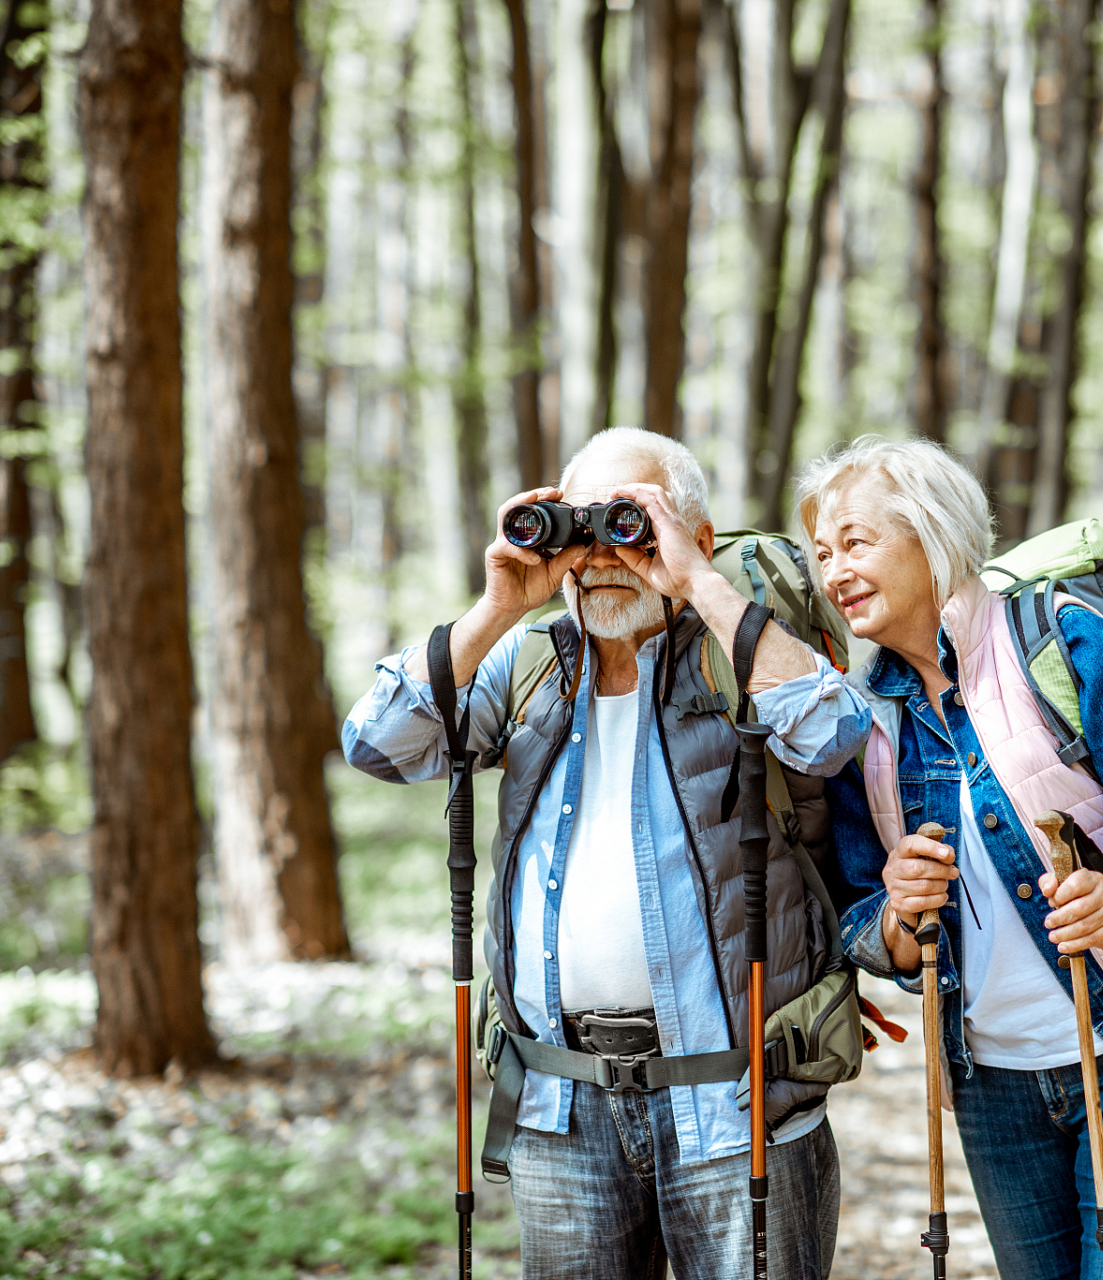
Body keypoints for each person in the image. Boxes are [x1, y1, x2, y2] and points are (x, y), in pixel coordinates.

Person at [342, 428, 867, 1280]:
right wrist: (501, 607)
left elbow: (834, 731)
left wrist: (698, 584)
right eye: (582, 528)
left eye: (630, 525)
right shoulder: (530, 665)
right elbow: (377, 745)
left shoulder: (736, 653)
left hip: (734, 1106)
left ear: (694, 538)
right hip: (562, 1105)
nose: (600, 555)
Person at [801, 436, 1103, 1280]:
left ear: (933, 532)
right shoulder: (865, 721)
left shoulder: (1063, 637)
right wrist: (899, 911)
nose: (835, 571)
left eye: (857, 542)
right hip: (992, 1084)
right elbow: (865, 921)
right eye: (824, 554)